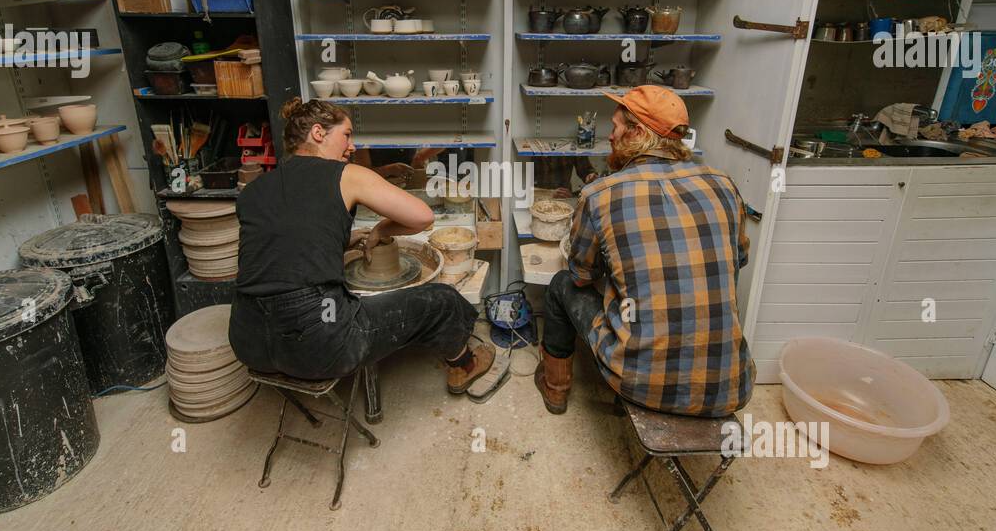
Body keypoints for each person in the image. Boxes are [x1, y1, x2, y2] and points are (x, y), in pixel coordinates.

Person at [229, 97, 496, 394]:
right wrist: (383, 227)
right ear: (318, 133)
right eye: (346, 134)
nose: (352, 145)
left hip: (248, 341)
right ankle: (465, 366)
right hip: (320, 344)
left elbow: (282, 251)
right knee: (442, 299)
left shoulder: (253, 191)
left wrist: (341, 242)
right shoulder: (345, 175)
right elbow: (423, 217)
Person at [534, 85, 754, 417]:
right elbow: (738, 260)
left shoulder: (600, 194)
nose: (610, 137)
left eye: (616, 127)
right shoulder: (724, 184)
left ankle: (555, 388)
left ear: (637, 133)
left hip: (639, 383)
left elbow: (581, 276)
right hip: (732, 385)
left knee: (560, 285)